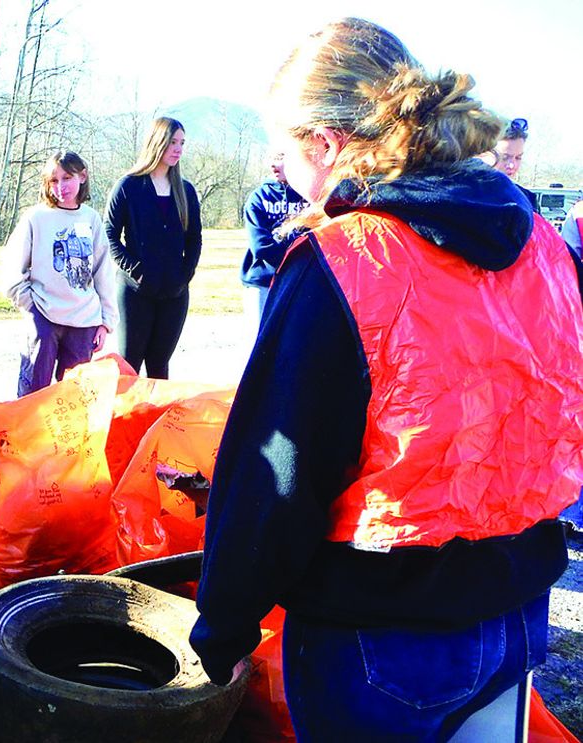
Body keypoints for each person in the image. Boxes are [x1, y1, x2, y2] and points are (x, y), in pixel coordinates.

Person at [191, 17, 583, 741]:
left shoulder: (347, 262)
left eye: (285, 150)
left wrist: (223, 624)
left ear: (328, 145)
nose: (281, 169)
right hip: (520, 612)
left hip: (384, 641)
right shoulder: (542, 242)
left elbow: (277, 468)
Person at [3, 150, 118, 397]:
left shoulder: (91, 219)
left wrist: (105, 322)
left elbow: (103, 273)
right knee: (34, 392)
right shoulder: (36, 218)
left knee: (74, 397)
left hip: (84, 320)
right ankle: (30, 436)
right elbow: (12, 270)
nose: (61, 186)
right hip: (44, 315)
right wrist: (30, 306)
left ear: (82, 176)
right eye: (53, 180)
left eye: (67, 178)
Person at [105, 117, 202, 379]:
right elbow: (110, 235)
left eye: (182, 143)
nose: (178, 148)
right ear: (157, 141)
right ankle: (125, 419)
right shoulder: (128, 186)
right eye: (172, 142)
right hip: (135, 292)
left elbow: (194, 238)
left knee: (160, 367)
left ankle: (155, 421)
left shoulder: (186, 191)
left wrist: (184, 276)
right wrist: (135, 271)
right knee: (130, 367)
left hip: (174, 294)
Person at [239, 152, 308, 328]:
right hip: (261, 281)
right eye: (271, 158)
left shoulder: (308, 198)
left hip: (297, 282)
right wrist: (294, 241)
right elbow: (261, 247)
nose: (273, 165)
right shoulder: (259, 197)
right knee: (258, 342)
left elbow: (314, 240)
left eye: (280, 158)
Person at [491, 116, 539, 209]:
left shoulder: (527, 199)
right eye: (505, 157)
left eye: (518, 157)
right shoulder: (463, 196)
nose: (512, 165)